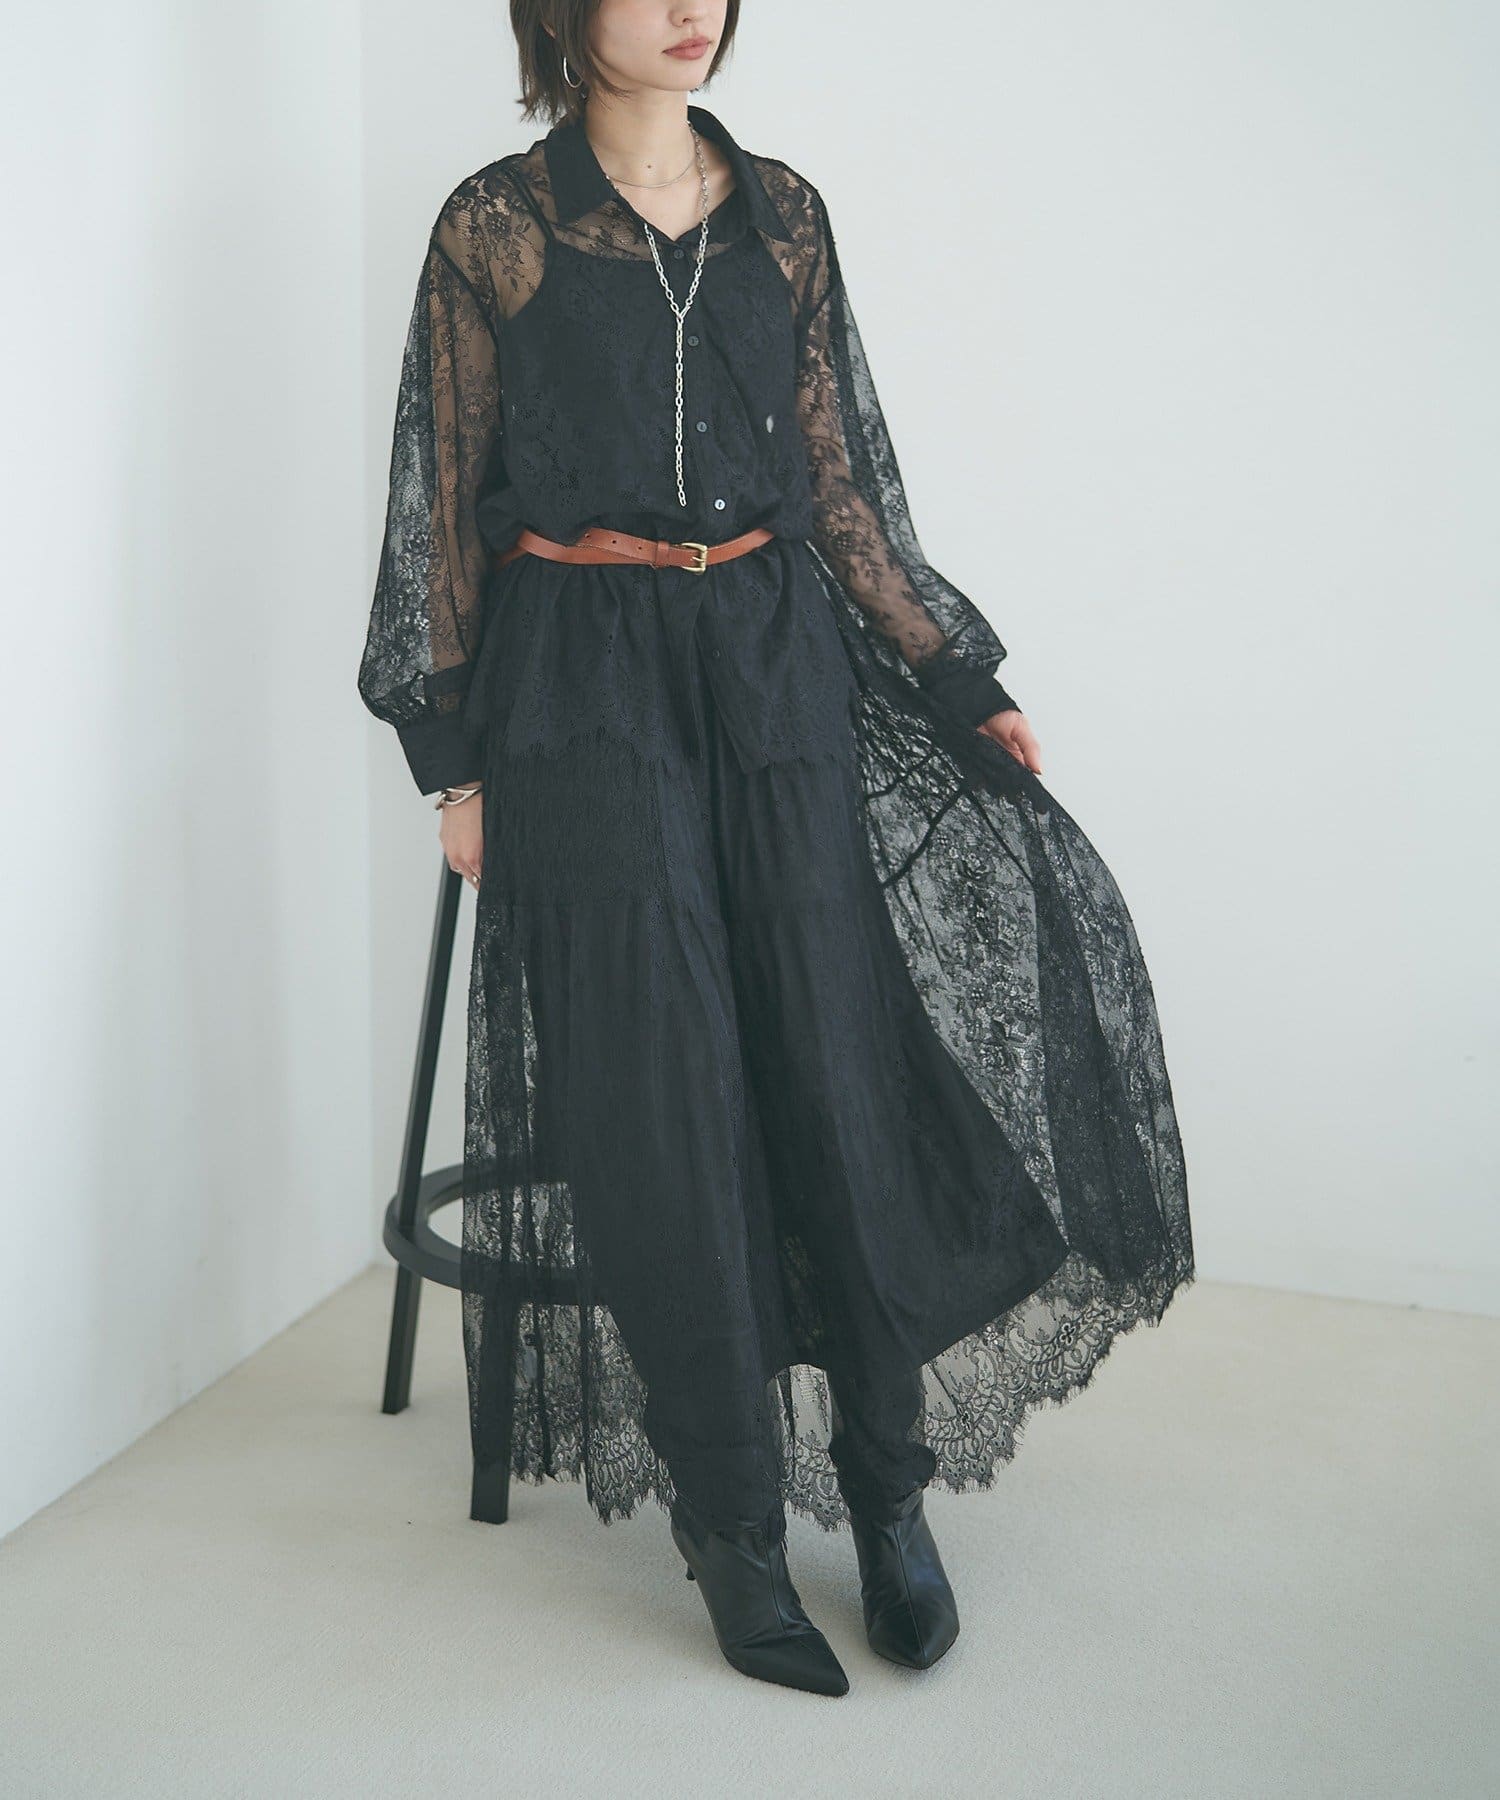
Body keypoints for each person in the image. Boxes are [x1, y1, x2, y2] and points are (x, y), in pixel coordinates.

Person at [357, 0, 1194, 1698]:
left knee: (832, 1055)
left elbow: (842, 477)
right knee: (660, 1086)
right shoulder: (496, 225)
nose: (693, 8)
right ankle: (730, 1519)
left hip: (772, 658)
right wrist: (449, 761)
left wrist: (954, 674)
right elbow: (439, 503)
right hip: (581, 678)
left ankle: (885, 1483)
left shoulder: (785, 213)